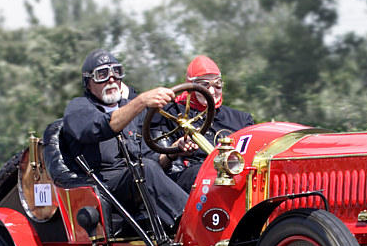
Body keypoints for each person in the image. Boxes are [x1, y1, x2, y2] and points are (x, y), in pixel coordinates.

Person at [62, 49, 189, 228]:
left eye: (116, 72)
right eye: (102, 74)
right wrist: (141, 101)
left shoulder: (132, 111)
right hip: (105, 189)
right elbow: (99, 128)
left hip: (137, 181)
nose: (111, 79)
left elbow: (149, 158)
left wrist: (172, 153)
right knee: (145, 169)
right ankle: (193, 223)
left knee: (193, 174)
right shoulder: (78, 108)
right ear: (88, 82)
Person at [150, 55, 254, 193]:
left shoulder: (241, 119)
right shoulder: (169, 114)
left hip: (236, 174)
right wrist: (176, 149)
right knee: (202, 174)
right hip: (191, 179)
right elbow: (155, 163)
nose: (211, 91)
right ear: (191, 86)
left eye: (217, 84)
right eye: (204, 85)